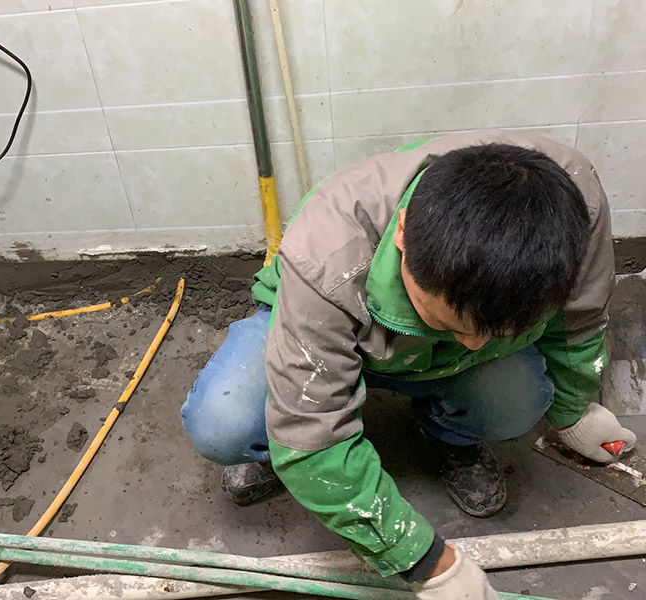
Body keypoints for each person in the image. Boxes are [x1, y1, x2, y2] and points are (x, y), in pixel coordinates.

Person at [181, 130, 638, 599]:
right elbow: (312, 434)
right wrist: (426, 563)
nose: (474, 344)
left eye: (492, 331)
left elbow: (580, 320)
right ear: (403, 233)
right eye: (448, 322)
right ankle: (275, 454)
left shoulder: (574, 204)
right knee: (224, 423)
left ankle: (450, 436)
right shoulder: (328, 253)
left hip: (438, 359)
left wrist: (573, 410)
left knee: (517, 400)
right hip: (318, 328)